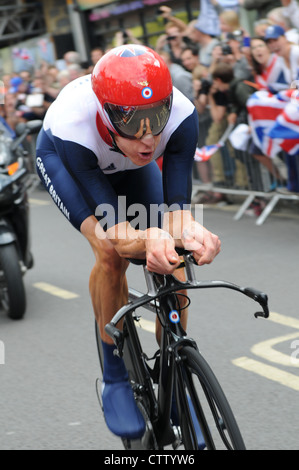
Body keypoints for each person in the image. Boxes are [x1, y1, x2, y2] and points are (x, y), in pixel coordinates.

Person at [35, 44, 221, 440]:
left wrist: (191, 233)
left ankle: (177, 371)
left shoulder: (183, 116)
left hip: (127, 166)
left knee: (175, 252)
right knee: (109, 254)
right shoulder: (74, 125)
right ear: (106, 112)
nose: (148, 137)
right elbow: (119, 236)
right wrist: (145, 236)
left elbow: (177, 214)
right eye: (134, 122)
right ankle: (115, 374)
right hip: (69, 161)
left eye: (157, 118)